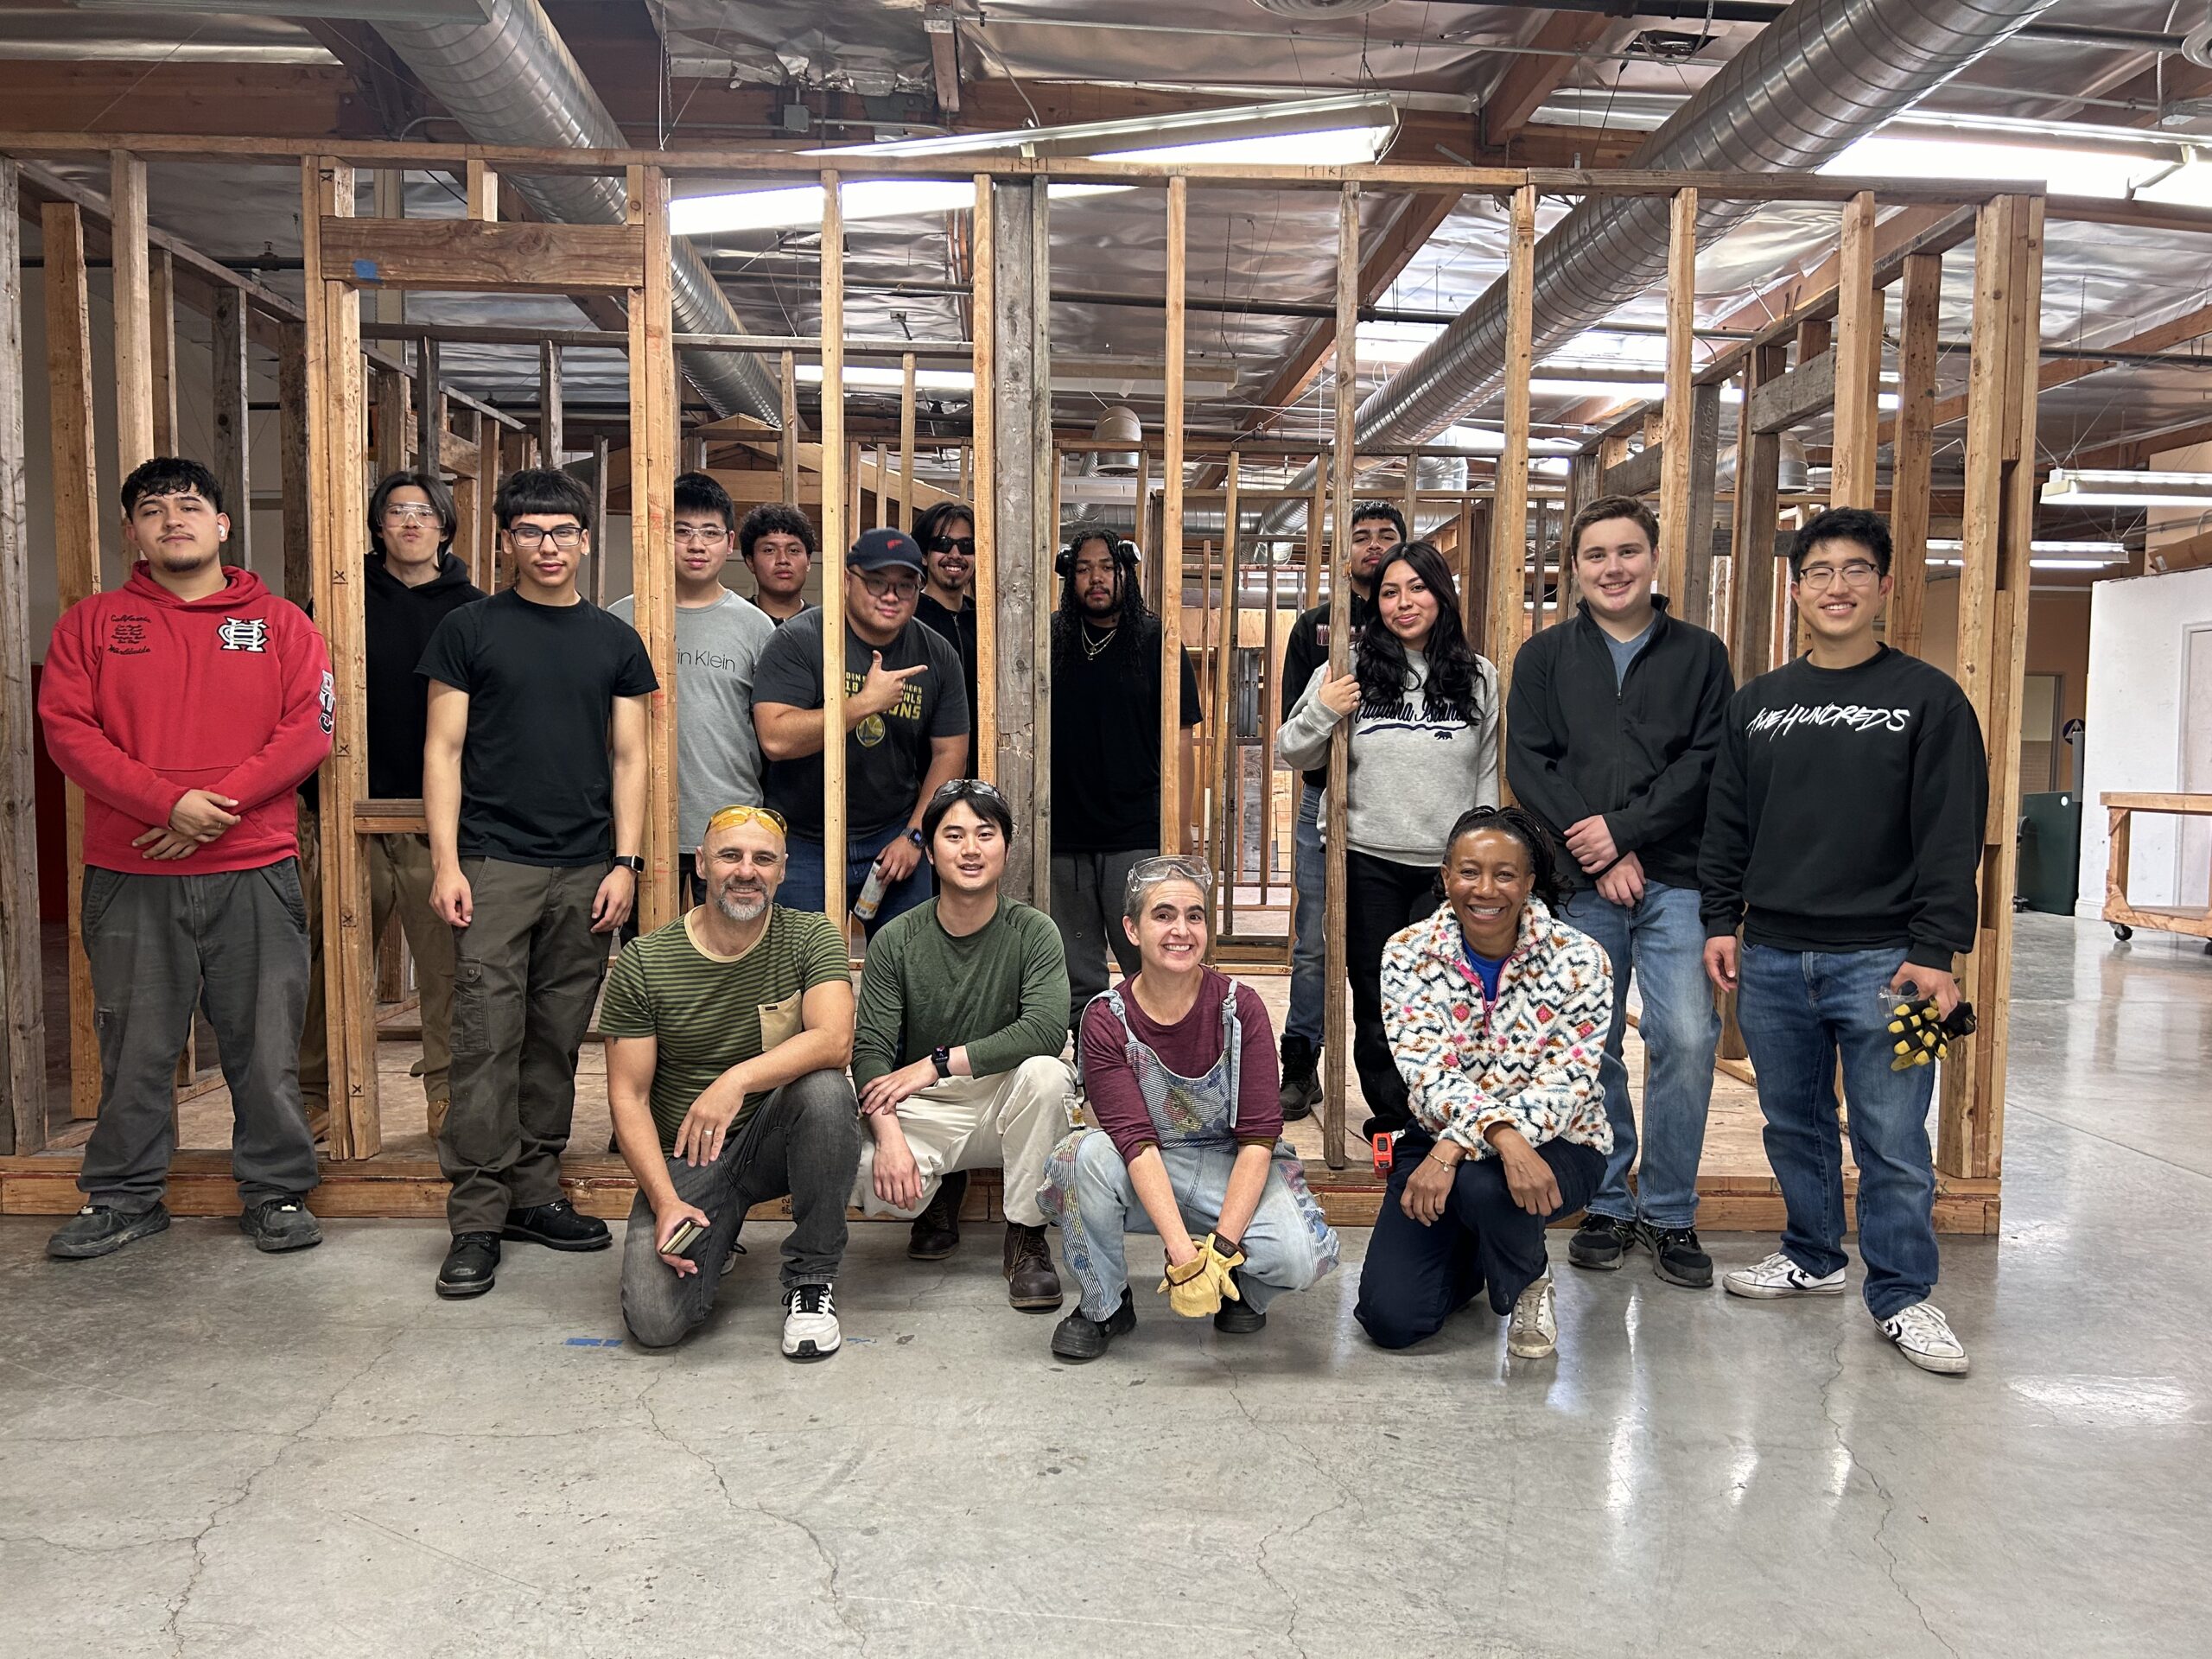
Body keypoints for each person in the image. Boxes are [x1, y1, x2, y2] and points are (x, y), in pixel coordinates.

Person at [1700, 506, 1988, 1376]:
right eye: (1819, 571)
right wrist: (1720, 921)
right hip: (1772, 957)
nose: (1836, 585)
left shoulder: (1929, 701)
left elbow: (1951, 833)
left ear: (1884, 586)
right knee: (1793, 1123)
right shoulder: (1757, 705)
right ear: (1796, 590)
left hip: (1888, 963)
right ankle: (1813, 1254)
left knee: (1893, 1140)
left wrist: (1935, 950)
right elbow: (1727, 822)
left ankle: (1903, 1295)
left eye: (1855, 569)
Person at [39, 457, 332, 1259]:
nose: (173, 519)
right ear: (131, 532)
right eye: (153, 509)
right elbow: (68, 731)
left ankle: (276, 1191)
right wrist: (165, 804)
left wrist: (212, 809)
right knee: (134, 1047)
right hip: (132, 871)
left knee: (264, 1045)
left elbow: (309, 731)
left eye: (190, 505)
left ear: (222, 525)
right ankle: (123, 1195)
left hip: (255, 871)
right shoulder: (91, 625)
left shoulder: (281, 624)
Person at [420, 467, 658, 1300]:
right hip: (495, 863)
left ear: (585, 541)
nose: (548, 546)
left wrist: (625, 862)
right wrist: (447, 861)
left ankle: (533, 1191)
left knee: (556, 1035)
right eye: (530, 531)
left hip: (587, 867)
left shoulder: (614, 641)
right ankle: (477, 1216)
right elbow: (443, 749)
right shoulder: (470, 628)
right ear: (506, 540)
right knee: (486, 1036)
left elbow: (631, 756)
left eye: (562, 532)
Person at [1507, 494, 1734, 1290]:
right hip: (1581, 882)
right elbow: (1531, 763)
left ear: (1654, 559)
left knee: (1688, 1038)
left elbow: (1706, 761)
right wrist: (1596, 850)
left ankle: (1669, 1211)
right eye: (1596, 555)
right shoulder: (1544, 657)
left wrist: (1626, 832)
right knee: (1590, 1046)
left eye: (1628, 551)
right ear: (1574, 568)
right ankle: (1606, 1198)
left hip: (1678, 877)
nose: (1614, 568)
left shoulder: (1701, 655)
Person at [1041, 856, 1340, 1361]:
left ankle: (1239, 1288)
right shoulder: (1106, 1019)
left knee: (1301, 1257)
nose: (1181, 930)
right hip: (1149, 1168)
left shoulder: (1241, 1008)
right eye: (1163, 915)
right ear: (1132, 930)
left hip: (1231, 1167)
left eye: (1194, 916)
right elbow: (1134, 1142)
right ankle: (1104, 1305)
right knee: (1081, 1157)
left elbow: (1258, 1137)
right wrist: (1184, 1258)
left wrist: (1220, 1252)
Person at [1354, 807, 1613, 1358]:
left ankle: (1529, 1279)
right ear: (1446, 876)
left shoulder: (1581, 960)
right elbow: (1427, 1074)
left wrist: (1459, 1147)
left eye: (1505, 874)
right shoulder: (1407, 952)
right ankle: (1479, 1245)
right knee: (1391, 1319)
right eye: (1470, 872)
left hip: (1561, 1144)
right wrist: (1493, 1137)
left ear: (1529, 882)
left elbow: (1567, 1084)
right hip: (1438, 1137)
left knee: (1482, 1186)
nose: (1486, 889)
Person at [605, 805, 861, 1360]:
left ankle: (812, 1280)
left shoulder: (810, 935)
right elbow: (628, 1097)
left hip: (774, 1143)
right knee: (655, 1321)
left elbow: (835, 1040)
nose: (747, 871)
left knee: (825, 1091)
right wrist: (664, 1200)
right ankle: (713, 1233)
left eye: (763, 859)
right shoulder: (645, 962)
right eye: (730, 855)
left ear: (782, 870)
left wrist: (735, 1081)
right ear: (701, 864)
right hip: (690, 1158)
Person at [1276, 539, 1499, 1143]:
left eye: (1417, 588)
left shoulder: (1478, 676)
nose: (1404, 603)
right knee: (1375, 993)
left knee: (1448, 994)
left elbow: (1486, 777)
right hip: (1365, 857)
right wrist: (1324, 709)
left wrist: (1479, 861)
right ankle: (1395, 1119)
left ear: (1441, 594)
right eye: (1391, 592)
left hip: (1447, 868)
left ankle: (1441, 1111)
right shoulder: (1346, 667)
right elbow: (1291, 750)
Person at [299, 469, 483, 1143]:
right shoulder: (339, 598)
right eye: (398, 511)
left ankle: (448, 1096)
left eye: (425, 512)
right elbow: (305, 698)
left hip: (439, 818)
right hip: (345, 808)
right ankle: (316, 1092)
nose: (411, 523)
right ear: (378, 524)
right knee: (328, 959)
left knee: (448, 965)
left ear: (445, 526)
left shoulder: (472, 609)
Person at [850, 779, 1073, 1313]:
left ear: (1006, 849)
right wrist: (888, 1136)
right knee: (867, 1182)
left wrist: (936, 1063)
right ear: (929, 852)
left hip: (1004, 1097)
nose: (970, 849)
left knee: (1049, 1076)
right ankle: (941, 1189)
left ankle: (1026, 1236)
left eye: (985, 834)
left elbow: (1046, 1030)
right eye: (953, 836)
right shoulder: (895, 939)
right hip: (927, 1107)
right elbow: (871, 1049)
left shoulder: (1034, 931)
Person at [752, 526, 969, 931]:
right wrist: (864, 704)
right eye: (877, 582)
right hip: (802, 841)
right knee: (803, 959)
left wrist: (915, 836)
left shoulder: (937, 653)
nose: (891, 596)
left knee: (907, 958)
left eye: (905, 586)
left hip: (893, 834)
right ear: (848, 580)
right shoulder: (799, 640)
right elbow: (775, 739)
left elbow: (950, 752)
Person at [1274, 501, 1405, 1120]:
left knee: (1393, 946)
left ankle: (1403, 1072)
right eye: (1362, 537)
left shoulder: (1416, 620)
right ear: (1344, 553)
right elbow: (1293, 728)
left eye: (1386, 536)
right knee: (1314, 941)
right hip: (1323, 800)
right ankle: (1301, 1063)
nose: (1373, 546)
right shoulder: (1316, 627)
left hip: (1396, 810)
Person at [1047, 522, 1201, 1036]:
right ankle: (1091, 1057)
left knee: (1147, 958)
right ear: (1070, 577)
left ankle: (1156, 1055)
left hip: (1136, 829)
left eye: (1107, 567)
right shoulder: (1051, 639)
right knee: (1075, 967)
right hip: (1063, 832)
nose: (1096, 578)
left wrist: (1181, 827)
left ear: (1126, 574)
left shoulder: (1158, 641)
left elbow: (1181, 739)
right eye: (1084, 568)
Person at [611, 472, 775, 909]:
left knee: (729, 943)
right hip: (641, 824)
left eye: (709, 533)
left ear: (730, 541)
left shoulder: (756, 627)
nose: (696, 545)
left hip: (730, 823)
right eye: (681, 531)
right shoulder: (621, 620)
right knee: (650, 943)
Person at [912, 500, 981, 776]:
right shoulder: (907, 617)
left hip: (978, 775)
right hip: (917, 779)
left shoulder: (986, 624)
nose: (955, 554)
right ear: (924, 555)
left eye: (966, 546)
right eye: (943, 544)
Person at [738, 502, 816, 625]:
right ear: (751, 562)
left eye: (793, 550)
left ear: (808, 561)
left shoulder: (825, 624)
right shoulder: (735, 620)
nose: (783, 560)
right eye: (769, 550)